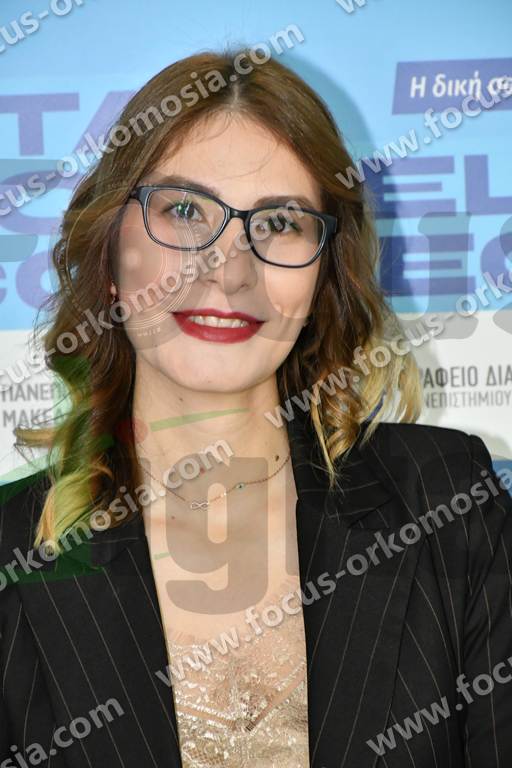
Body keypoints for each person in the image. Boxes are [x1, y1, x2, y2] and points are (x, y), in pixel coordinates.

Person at [1, 48, 511, 768]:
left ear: (323, 274)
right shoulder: (12, 551)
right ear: (112, 250)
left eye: (279, 223)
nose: (230, 271)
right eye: (185, 210)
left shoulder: (445, 498)